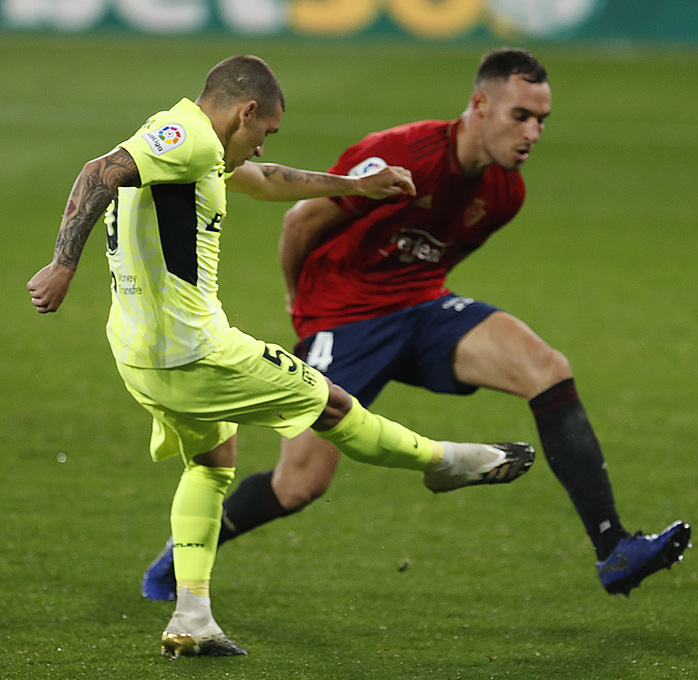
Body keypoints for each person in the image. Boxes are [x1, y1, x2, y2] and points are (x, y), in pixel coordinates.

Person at [27, 54, 535, 658]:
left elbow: (268, 180)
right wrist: (63, 264)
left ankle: (191, 616)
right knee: (332, 403)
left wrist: (354, 186)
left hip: (141, 353)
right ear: (246, 112)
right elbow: (98, 173)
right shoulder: (187, 142)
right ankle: (442, 460)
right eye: (265, 131)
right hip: (195, 352)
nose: (264, 145)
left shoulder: (192, 139)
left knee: (214, 459)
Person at [141, 47, 690, 605]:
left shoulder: (504, 192)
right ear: (480, 104)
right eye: (520, 116)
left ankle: (613, 548)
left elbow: (435, 259)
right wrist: (300, 305)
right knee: (299, 484)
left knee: (547, 370)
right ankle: (179, 557)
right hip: (343, 319)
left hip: (421, 308)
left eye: (541, 121)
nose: (533, 133)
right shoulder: (405, 154)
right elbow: (301, 222)